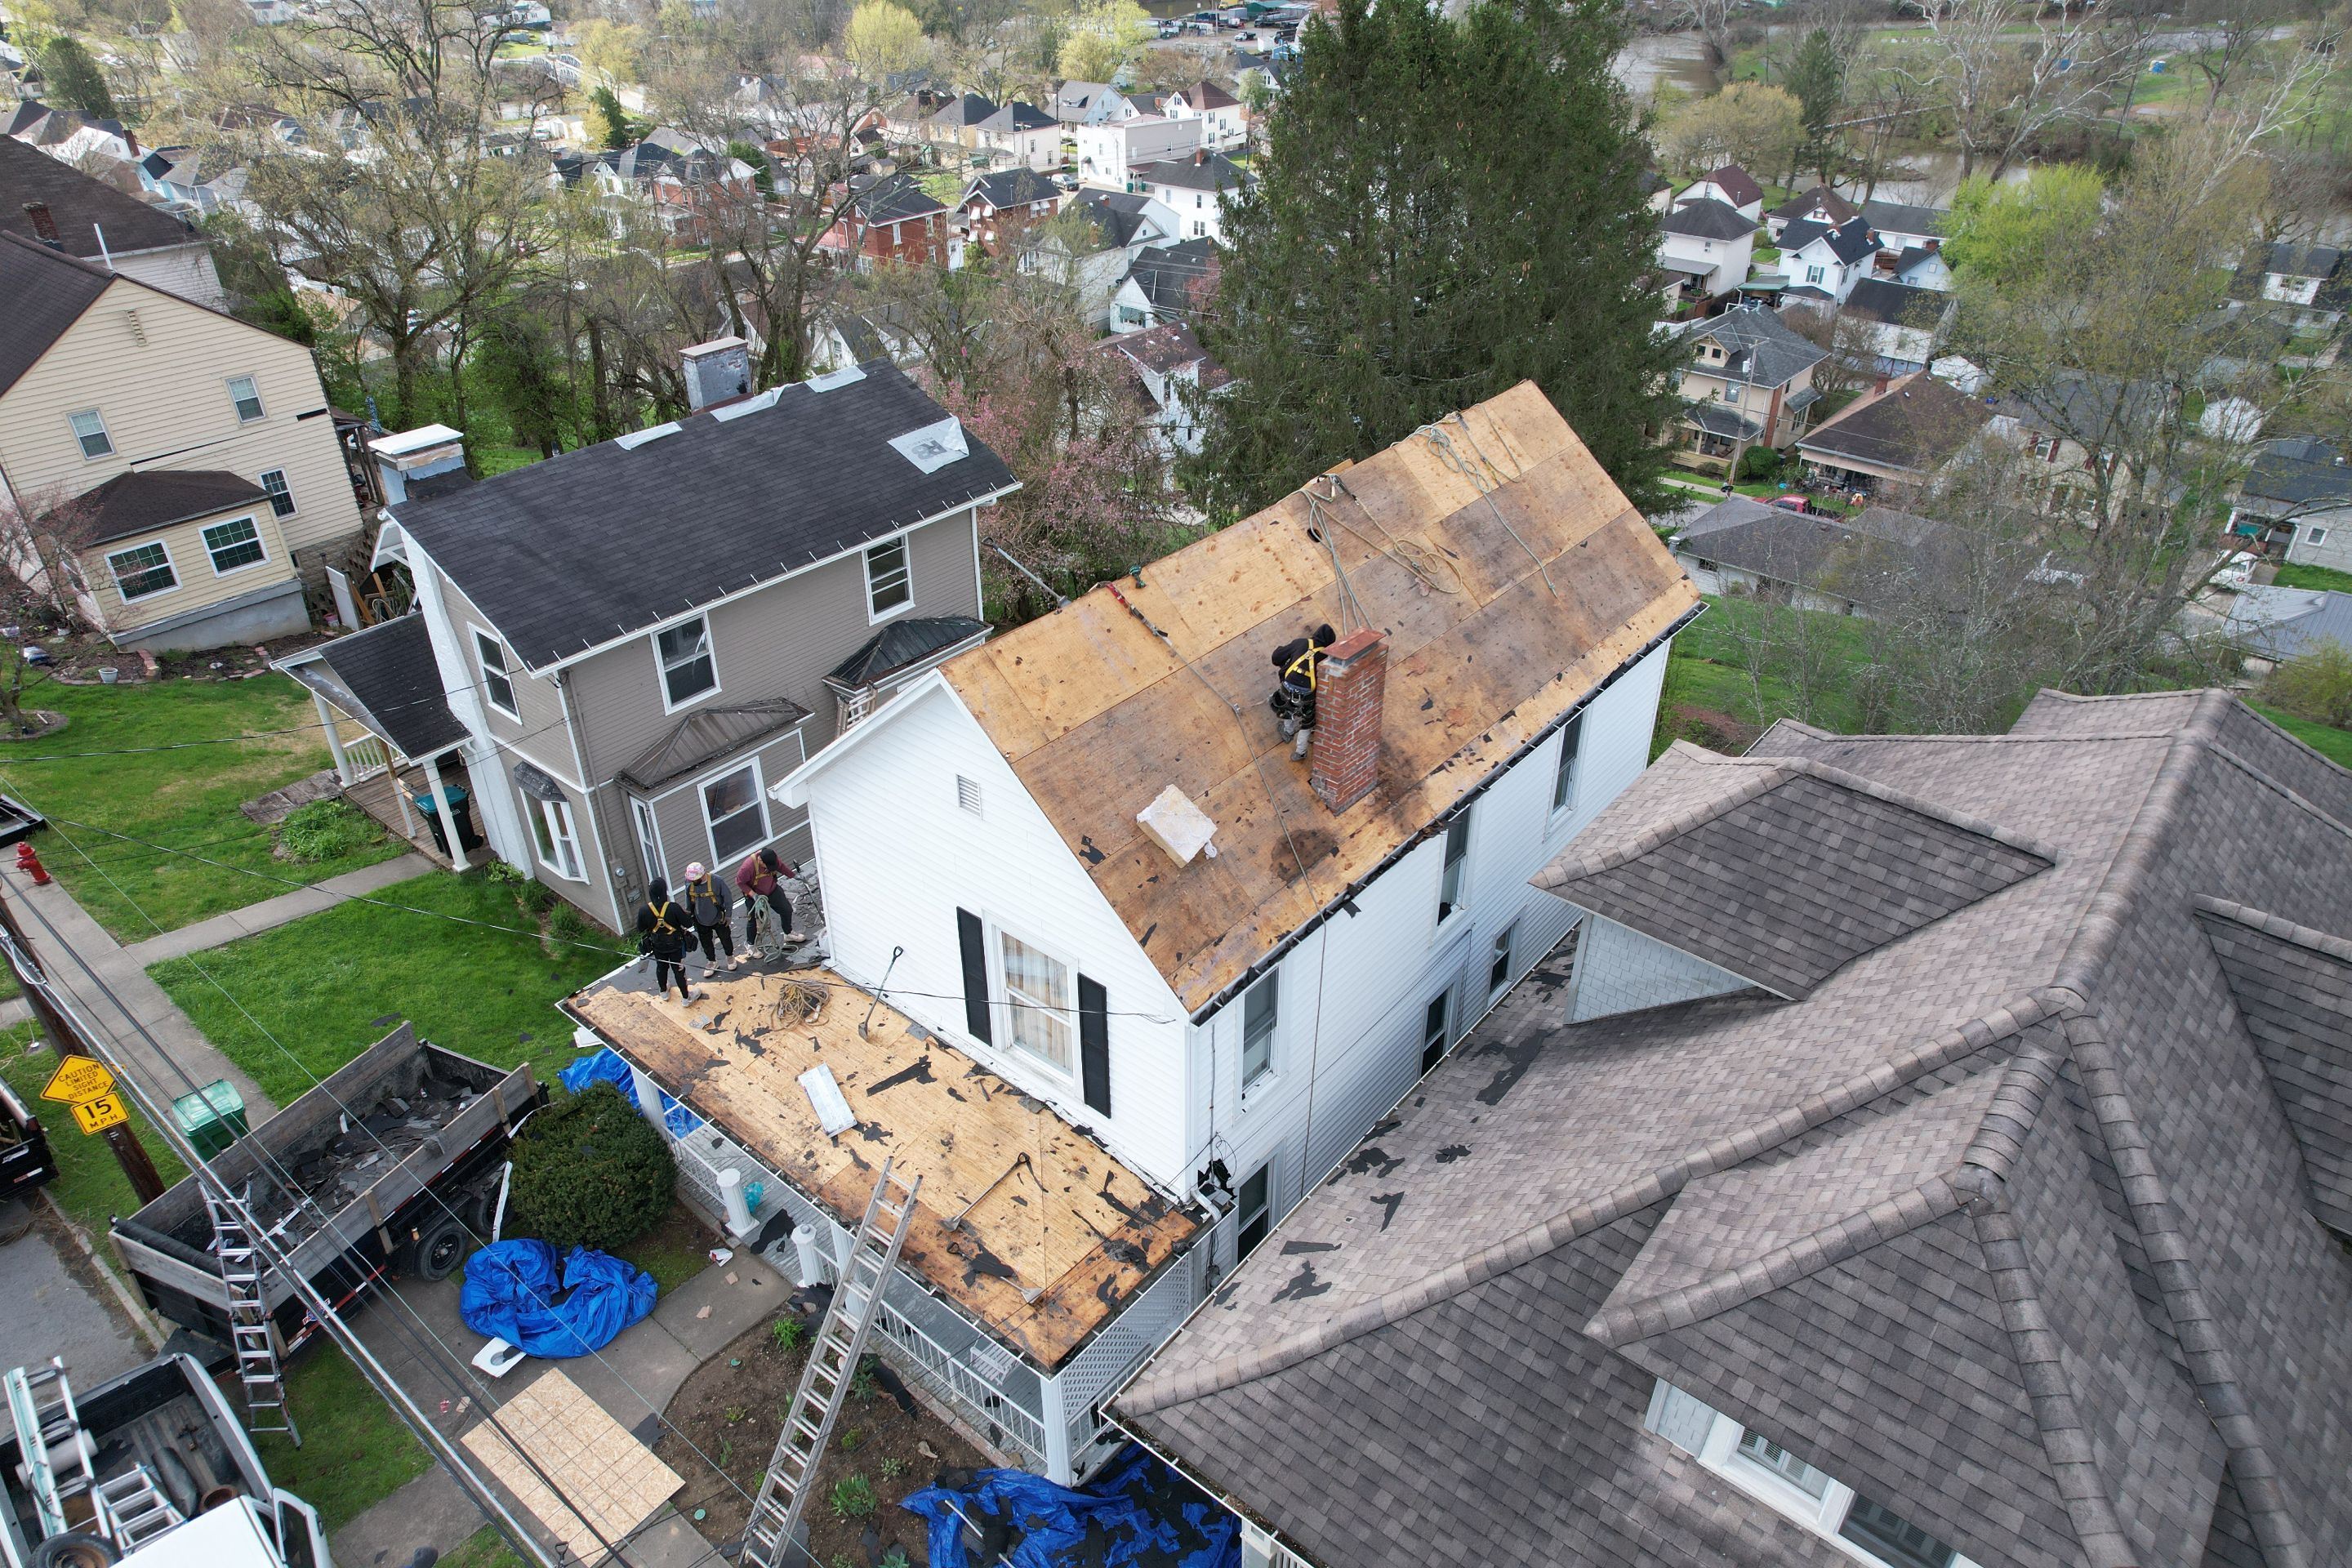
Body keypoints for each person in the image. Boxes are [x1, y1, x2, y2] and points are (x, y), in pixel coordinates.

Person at [636, 879, 697, 1002]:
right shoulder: (673, 908)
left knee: (661, 967)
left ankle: (664, 991)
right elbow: (688, 923)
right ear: (664, 891)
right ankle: (686, 997)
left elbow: (640, 928)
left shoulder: (644, 910)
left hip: (657, 945)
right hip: (675, 945)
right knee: (678, 969)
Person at [736, 847, 800, 948]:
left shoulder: (771, 857)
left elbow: (781, 867)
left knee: (786, 910)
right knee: (754, 921)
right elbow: (740, 883)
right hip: (756, 896)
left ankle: (788, 933)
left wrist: (794, 876)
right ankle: (750, 945)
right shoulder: (747, 867)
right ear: (760, 860)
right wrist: (754, 895)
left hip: (772, 889)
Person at [679, 861, 737, 973]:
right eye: (691, 880)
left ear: (702, 875)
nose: (692, 882)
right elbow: (689, 901)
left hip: (718, 917)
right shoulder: (689, 883)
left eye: (695, 879)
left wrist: (728, 915)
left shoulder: (717, 881)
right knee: (706, 942)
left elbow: (728, 899)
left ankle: (730, 957)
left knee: (725, 938)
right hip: (700, 918)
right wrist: (687, 919)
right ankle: (712, 961)